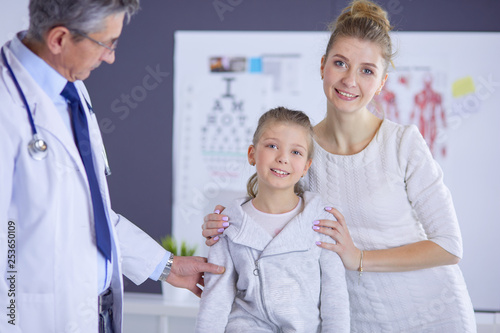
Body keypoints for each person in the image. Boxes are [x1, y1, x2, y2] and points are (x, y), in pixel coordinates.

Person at [202, 1, 476, 331]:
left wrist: (359, 258)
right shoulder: (303, 152)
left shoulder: (403, 143)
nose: (349, 80)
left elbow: (449, 246)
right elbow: (275, 214)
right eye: (340, 63)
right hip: (356, 320)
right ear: (322, 66)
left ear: (382, 82)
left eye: (367, 70)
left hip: (434, 315)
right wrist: (227, 224)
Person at [0, 1, 223, 332]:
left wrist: (166, 266)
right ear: (60, 39)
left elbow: (89, 214)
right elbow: (8, 242)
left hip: (92, 312)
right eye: (106, 44)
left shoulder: (72, 91)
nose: (110, 57)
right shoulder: (7, 105)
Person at [196, 107, 349, 332]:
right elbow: (216, 297)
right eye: (272, 146)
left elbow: (335, 297)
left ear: (306, 166)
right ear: (252, 154)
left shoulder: (321, 222)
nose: (283, 158)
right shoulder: (228, 224)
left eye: (296, 152)